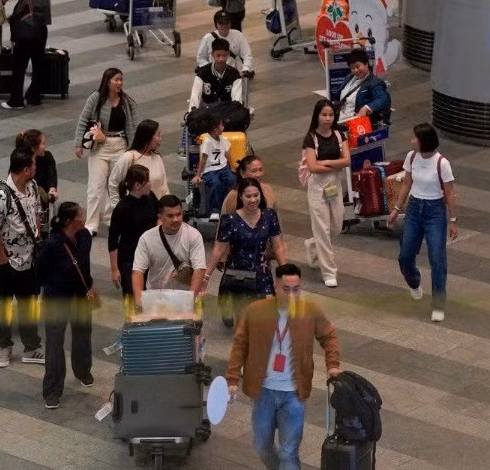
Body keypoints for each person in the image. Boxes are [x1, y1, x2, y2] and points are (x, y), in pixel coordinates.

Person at [227, 264, 342, 470]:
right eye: (286, 289)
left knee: (289, 452)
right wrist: (232, 378)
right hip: (263, 392)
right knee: (262, 445)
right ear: (275, 287)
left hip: (293, 395)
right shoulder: (256, 311)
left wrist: (332, 365)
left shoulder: (310, 312)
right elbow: (240, 344)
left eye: (296, 289)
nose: (291, 295)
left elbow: (329, 336)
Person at [388, 123, 458, 322]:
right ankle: (414, 282)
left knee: (437, 259)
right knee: (405, 256)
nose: (411, 141)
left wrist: (453, 220)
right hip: (414, 209)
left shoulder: (442, 163)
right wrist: (396, 208)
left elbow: (450, 193)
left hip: (435, 211)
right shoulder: (411, 157)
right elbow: (407, 184)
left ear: (423, 141)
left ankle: (438, 304)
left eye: (414, 138)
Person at [0, 147, 46, 368]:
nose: (36, 167)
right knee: (3, 303)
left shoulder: (32, 187)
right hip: (4, 260)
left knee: (28, 301)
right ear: (26, 169)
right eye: (34, 165)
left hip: (28, 258)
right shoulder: (0, 196)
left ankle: (31, 347)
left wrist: (36, 237)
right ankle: (4, 346)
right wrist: (2, 262)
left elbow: (36, 215)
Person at [35, 201, 99, 410]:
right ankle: (52, 390)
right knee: (54, 344)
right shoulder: (52, 244)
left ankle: (83, 370)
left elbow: (85, 266)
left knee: (83, 335)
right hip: (57, 298)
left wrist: (90, 285)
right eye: (81, 213)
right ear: (71, 220)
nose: (84, 215)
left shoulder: (85, 237)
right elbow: (40, 272)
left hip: (81, 296)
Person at [210, 180, 285, 326]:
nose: (253, 200)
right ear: (240, 197)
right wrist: (206, 275)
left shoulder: (269, 216)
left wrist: (285, 272)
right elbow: (218, 249)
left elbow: (278, 246)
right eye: (248, 196)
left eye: (256, 195)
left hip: (262, 272)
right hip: (239, 275)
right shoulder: (230, 220)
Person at [75, 68, 138, 235]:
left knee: (116, 186)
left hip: (120, 145)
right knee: (95, 187)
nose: (119, 83)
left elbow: (132, 125)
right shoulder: (95, 98)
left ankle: (112, 219)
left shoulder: (126, 102)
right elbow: (83, 120)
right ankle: (91, 224)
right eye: (116, 79)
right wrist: (78, 144)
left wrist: (134, 148)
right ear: (107, 81)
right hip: (100, 147)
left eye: (121, 80)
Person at [300, 99, 349, 288]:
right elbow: (312, 167)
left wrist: (326, 163)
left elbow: (347, 160)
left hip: (334, 184)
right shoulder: (310, 138)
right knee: (322, 228)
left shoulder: (339, 135)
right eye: (324, 115)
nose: (328, 118)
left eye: (331, 115)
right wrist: (332, 163)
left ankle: (313, 245)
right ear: (317, 116)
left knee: (336, 226)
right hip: (317, 187)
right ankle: (329, 272)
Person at [130, 194, 209, 297]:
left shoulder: (193, 235)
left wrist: (190, 299)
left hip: (184, 296)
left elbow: (199, 269)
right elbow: (138, 271)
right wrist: (139, 300)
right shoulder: (147, 238)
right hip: (156, 297)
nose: (176, 219)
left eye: (179, 214)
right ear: (160, 217)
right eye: (170, 216)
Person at [105, 163, 160, 306]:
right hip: (130, 260)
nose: (150, 183)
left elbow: (159, 213)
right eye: (147, 181)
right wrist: (115, 269)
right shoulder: (122, 209)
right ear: (137, 185)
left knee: (151, 298)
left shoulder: (150, 197)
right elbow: (113, 240)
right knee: (133, 301)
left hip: (150, 256)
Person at [6, 0, 51, 109]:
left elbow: (16, 14)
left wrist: (9, 19)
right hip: (41, 33)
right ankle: (34, 96)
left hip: (25, 36)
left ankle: (16, 101)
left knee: (19, 68)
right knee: (38, 66)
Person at [110, 118, 170, 204]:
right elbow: (113, 183)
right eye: (158, 135)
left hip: (154, 209)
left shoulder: (157, 157)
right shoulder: (129, 157)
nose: (160, 139)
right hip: (134, 210)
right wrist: (116, 207)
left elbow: (164, 186)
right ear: (148, 137)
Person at [195, 111, 235, 220]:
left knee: (232, 180)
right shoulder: (207, 142)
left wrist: (233, 168)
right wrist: (198, 175)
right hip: (210, 170)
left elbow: (227, 154)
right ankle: (215, 210)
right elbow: (203, 160)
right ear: (215, 129)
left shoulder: (223, 140)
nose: (223, 126)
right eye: (221, 125)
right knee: (215, 184)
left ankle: (231, 205)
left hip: (223, 168)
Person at [190, 42, 245, 114]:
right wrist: (193, 112)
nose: (221, 59)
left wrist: (235, 112)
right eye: (218, 55)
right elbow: (195, 95)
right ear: (212, 54)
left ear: (228, 54)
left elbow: (237, 98)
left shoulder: (234, 74)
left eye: (224, 55)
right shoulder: (203, 72)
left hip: (227, 110)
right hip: (207, 111)